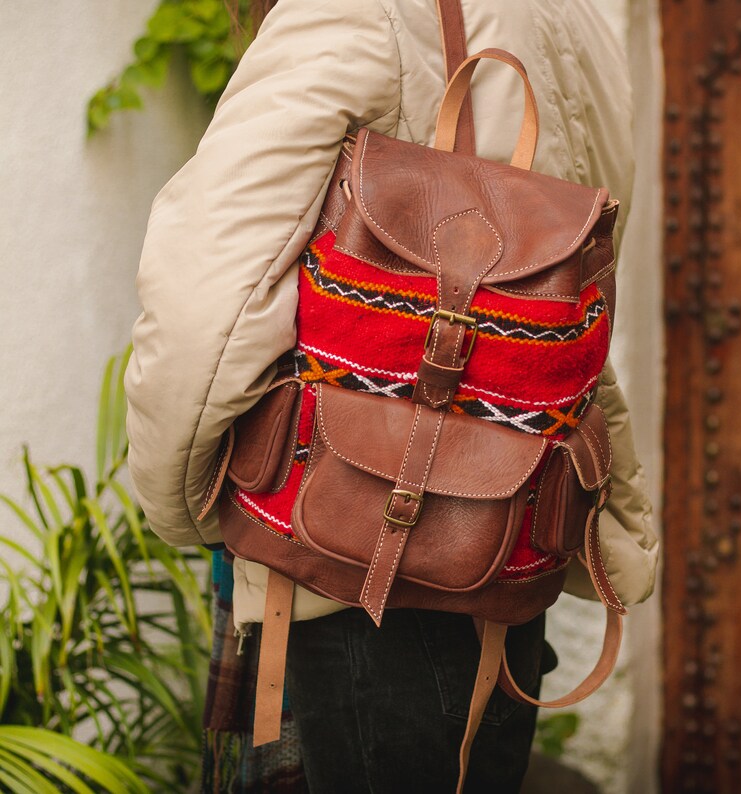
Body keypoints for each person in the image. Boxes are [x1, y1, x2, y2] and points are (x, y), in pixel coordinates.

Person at [125, 1, 658, 791]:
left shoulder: (354, 12)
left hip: (347, 548)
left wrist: (182, 504)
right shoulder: (572, 16)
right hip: (510, 537)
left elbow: (206, 304)